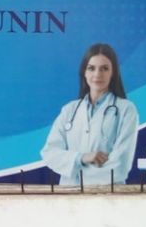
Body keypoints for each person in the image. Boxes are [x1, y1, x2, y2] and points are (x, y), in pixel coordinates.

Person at [40, 43, 139, 185]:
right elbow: (49, 153)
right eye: (91, 68)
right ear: (84, 72)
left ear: (113, 73)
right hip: (69, 194)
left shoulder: (126, 110)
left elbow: (120, 167)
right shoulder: (69, 110)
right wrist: (82, 158)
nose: (97, 74)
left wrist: (75, 170)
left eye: (104, 68)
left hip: (108, 194)